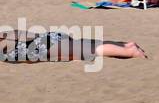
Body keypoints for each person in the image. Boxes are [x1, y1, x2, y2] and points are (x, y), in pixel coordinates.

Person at [2, 28, 146, 63]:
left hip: (45, 46)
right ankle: (126, 45)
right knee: (87, 44)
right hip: (47, 39)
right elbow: (22, 34)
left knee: (90, 49)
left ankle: (131, 52)